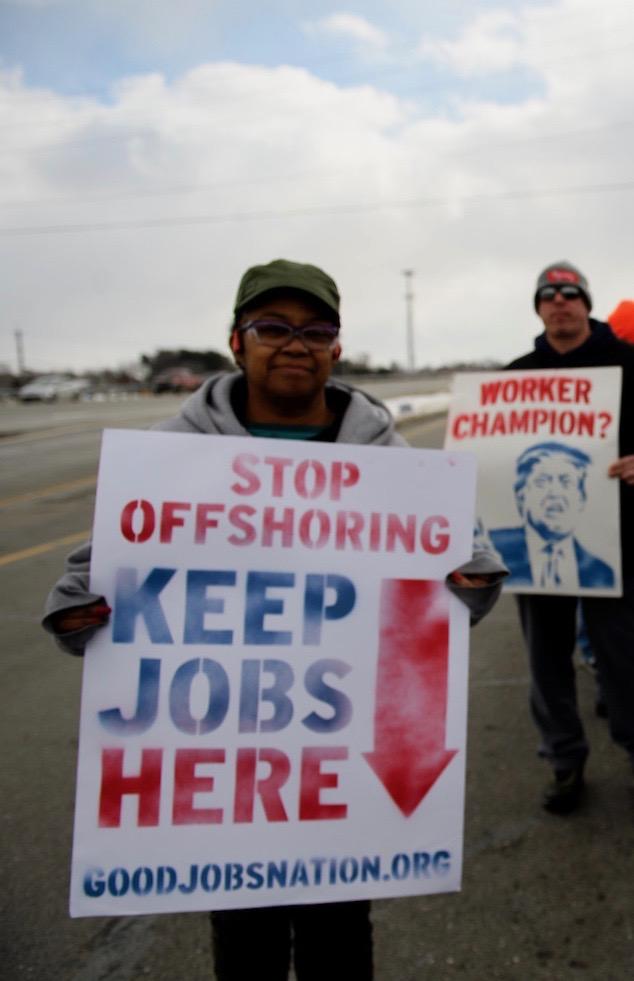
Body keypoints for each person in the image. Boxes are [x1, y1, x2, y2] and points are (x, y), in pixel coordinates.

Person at [43, 258, 505, 981]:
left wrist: (472, 583)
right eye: (273, 327)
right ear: (237, 341)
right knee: (247, 950)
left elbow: (467, 571)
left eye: (316, 329)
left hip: (339, 784)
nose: (296, 343)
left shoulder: (385, 453)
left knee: (342, 944)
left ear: (337, 348)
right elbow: (84, 583)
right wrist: (77, 614)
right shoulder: (173, 451)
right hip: (232, 795)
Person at [506, 261, 634, 815]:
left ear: (587, 302)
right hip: (536, 559)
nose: (560, 302)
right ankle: (564, 762)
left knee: (625, 660)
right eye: (549, 295)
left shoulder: (629, 365)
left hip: (619, 542)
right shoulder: (515, 375)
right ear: (539, 307)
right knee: (546, 662)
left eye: (570, 293)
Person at [489, 441, 614, 589]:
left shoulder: (601, 573)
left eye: (566, 483)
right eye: (542, 482)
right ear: (521, 496)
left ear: (581, 498)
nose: (555, 493)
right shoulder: (489, 553)